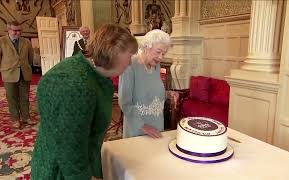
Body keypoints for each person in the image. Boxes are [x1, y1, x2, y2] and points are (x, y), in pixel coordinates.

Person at [31, 24, 138, 179]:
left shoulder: (85, 69)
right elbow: (70, 150)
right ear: (114, 54)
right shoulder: (76, 85)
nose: (130, 63)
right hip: (60, 172)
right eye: (129, 56)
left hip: (69, 159)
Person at [118, 29, 171, 138]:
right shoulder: (130, 65)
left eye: (164, 54)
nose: (161, 57)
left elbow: (152, 94)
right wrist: (143, 126)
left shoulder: (156, 65)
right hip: (138, 130)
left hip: (156, 126)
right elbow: (124, 102)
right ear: (146, 46)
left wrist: (168, 94)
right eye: (158, 52)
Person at [0, 20, 36, 129]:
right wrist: (4, 69)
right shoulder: (2, 41)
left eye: (20, 30)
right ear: (8, 30)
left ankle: (26, 117)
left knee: (24, 97)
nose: (18, 33)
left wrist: (26, 67)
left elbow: (30, 58)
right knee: (12, 97)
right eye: (15, 31)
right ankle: (15, 119)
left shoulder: (26, 42)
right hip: (9, 73)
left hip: (24, 73)